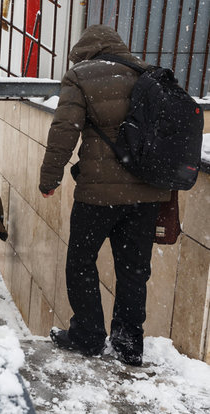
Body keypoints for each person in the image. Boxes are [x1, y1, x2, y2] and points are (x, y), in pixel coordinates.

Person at [39, 25, 170, 366]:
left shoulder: (81, 75)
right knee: (134, 270)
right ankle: (128, 345)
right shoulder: (151, 74)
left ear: (85, 50)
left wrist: (49, 178)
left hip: (98, 194)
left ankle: (88, 335)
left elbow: (65, 130)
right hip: (146, 194)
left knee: (81, 262)